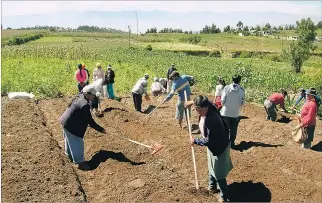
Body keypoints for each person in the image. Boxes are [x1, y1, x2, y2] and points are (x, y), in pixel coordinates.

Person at [186, 95, 233, 202]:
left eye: (199, 110)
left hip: (219, 147)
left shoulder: (211, 121)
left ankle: (224, 196)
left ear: (205, 108)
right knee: (211, 166)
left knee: (219, 173)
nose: (198, 112)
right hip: (212, 146)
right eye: (197, 109)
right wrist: (191, 102)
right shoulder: (208, 105)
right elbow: (202, 100)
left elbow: (209, 140)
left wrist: (195, 140)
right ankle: (212, 186)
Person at [59, 85, 107, 170]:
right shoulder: (84, 104)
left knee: (69, 140)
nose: (94, 97)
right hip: (71, 125)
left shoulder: (80, 96)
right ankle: (80, 163)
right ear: (88, 94)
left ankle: (69, 155)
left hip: (65, 121)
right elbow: (90, 121)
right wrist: (101, 129)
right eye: (93, 95)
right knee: (77, 143)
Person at [220, 75, 245, 149]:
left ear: (232, 79)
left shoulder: (227, 88)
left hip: (225, 112)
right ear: (239, 80)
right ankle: (232, 143)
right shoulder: (242, 90)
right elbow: (242, 102)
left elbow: (222, 99)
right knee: (233, 129)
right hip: (235, 113)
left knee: (224, 128)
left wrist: (224, 106)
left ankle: (224, 143)